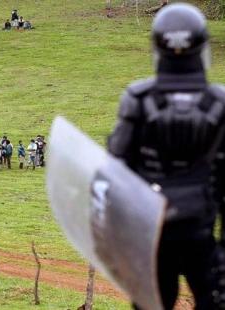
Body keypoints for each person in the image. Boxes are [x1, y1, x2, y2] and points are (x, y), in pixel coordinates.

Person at [107, 4, 225, 309]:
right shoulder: (219, 103)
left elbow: (116, 172)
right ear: (201, 49)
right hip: (202, 234)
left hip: (152, 238)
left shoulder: (139, 99)